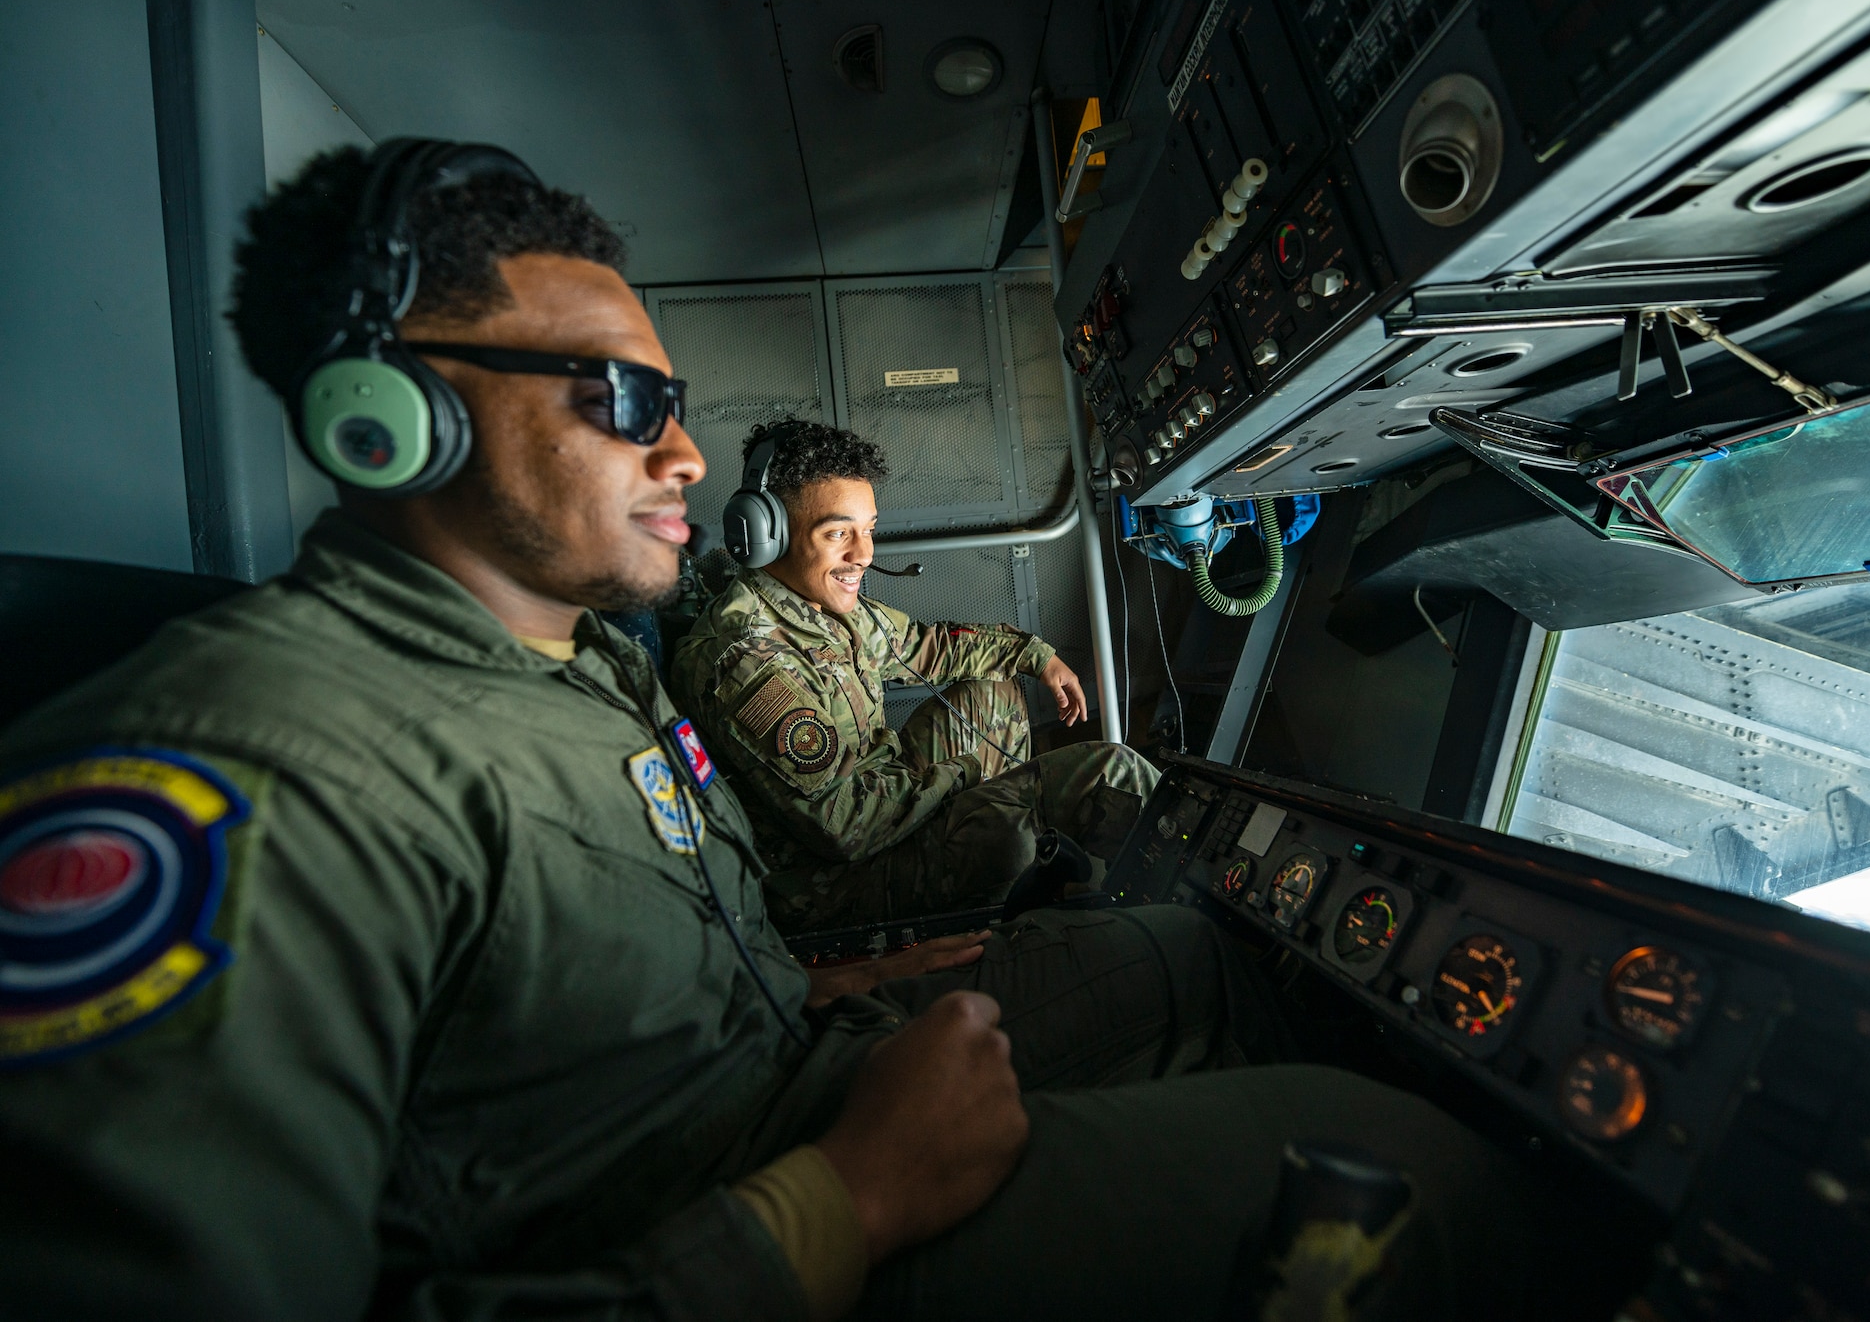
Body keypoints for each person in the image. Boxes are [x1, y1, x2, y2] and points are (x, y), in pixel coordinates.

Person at [0, 140, 1546, 1322]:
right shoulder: (257, 764)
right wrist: (842, 1198)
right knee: (1413, 1177)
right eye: (617, 395)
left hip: (802, 1055)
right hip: (754, 1207)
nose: (679, 451)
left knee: (1205, 958)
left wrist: (845, 976)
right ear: (390, 415)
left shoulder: (582, 663)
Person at [670, 420, 1158, 933]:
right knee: (1108, 770)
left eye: (869, 529)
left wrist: (1033, 654)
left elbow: (923, 647)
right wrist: (962, 778)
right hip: (837, 882)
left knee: (991, 692)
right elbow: (845, 827)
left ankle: (990, 850)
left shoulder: (817, 605)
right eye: (838, 533)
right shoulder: (748, 658)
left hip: (884, 797)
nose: (864, 554)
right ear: (767, 535)